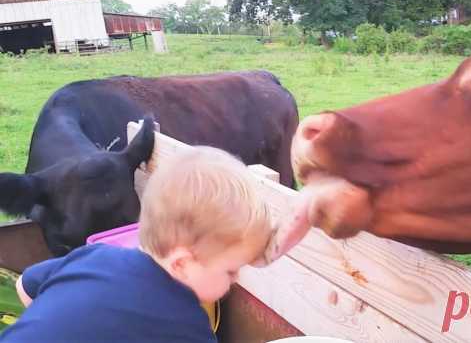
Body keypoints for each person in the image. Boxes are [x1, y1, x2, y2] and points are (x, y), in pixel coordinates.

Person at [0, 146, 273, 343]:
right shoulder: (187, 326)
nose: (236, 280)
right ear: (182, 263)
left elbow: (25, 285)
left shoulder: (95, 255)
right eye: (231, 271)